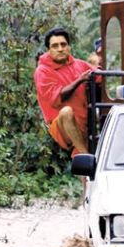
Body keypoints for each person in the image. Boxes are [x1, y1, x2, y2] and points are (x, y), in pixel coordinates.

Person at [34, 27, 97, 158]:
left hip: (83, 122)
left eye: (63, 44)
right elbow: (56, 97)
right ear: (49, 50)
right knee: (66, 111)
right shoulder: (43, 71)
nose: (60, 49)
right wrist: (80, 80)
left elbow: (99, 75)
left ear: (68, 46)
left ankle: (86, 168)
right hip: (62, 126)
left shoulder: (79, 64)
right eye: (55, 46)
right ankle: (86, 157)